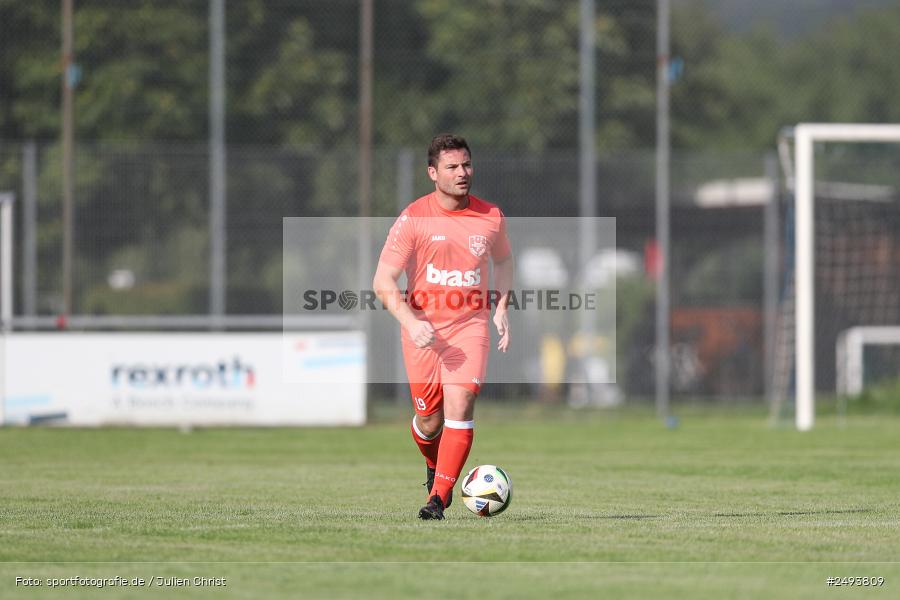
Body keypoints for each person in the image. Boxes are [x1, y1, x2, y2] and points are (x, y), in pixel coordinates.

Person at [373, 134, 513, 520]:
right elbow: (383, 282)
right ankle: (435, 467)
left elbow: (503, 262)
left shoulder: (491, 216)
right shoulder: (414, 218)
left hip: (469, 328)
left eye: (466, 164)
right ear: (433, 173)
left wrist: (500, 306)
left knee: (461, 403)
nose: (462, 173)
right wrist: (410, 321)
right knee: (429, 421)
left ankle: (438, 498)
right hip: (422, 332)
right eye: (452, 167)